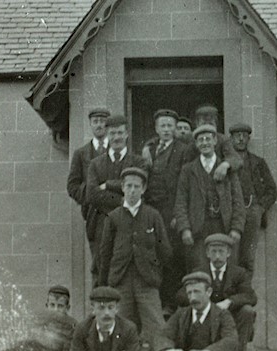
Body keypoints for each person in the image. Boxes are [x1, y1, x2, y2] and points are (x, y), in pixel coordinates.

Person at [98, 167, 172, 345]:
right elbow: (105, 254)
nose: (132, 191)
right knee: (119, 328)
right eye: (129, 186)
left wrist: (154, 272)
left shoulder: (152, 215)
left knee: (157, 328)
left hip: (147, 281)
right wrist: (105, 284)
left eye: (136, 186)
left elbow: (165, 251)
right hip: (120, 281)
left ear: (143, 189)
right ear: (122, 187)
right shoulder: (113, 217)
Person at [139, 109, 194, 315]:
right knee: (154, 255)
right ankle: (157, 303)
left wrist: (179, 215)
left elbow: (185, 185)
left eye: (170, 126)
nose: (167, 129)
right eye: (163, 126)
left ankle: (171, 304)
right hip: (152, 210)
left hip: (171, 211)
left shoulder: (184, 150)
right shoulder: (150, 149)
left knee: (171, 256)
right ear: (156, 128)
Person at [179, 233, 257, 351]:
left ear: (228, 253)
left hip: (230, 316)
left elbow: (250, 296)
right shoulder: (199, 272)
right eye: (213, 252)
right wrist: (203, 300)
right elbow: (181, 295)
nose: (217, 256)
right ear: (207, 253)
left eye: (221, 252)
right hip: (207, 315)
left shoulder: (239, 272)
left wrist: (229, 301)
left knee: (247, 311)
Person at [154, 272, 238, 351]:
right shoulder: (181, 314)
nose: (192, 298)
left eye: (197, 292)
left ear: (209, 292)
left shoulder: (222, 315)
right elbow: (162, 335)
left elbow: (231, 340)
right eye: (189, 293)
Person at [174, 124, 245, 272]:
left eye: (208, 139)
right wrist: (185, 229)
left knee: (224, 269)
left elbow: (238, 201)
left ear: (215, 141)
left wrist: (236, 228)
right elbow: (180, 202)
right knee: (198, 269)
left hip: (223, 226)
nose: (204, 143)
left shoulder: (228, 169)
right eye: (201, 140)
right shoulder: (188, 170)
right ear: (196, 144)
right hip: (198, 229)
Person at [87, 114, 148, 286]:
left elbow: (140, 191)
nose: (116, 137)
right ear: (107, 135)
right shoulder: (96, 164)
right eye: (112, 133)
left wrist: (108, 185)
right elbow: (92, 194)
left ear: (127, 134)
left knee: (129, 265)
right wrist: (122, 200)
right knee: (101, 266)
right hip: (102, 221)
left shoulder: (138, 162)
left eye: (120, 133)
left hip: (131, 221)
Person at [67, 108, 111, 285]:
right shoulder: (81, 153)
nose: (99, 125)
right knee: (98, 260)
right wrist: (90, 195)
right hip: (93, 214)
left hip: (114, 211)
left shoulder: (117, 151)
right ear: (91, 125)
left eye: (103, 121)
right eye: (95, 121)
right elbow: (72, 186)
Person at [228, 123, 277, 277]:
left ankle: (245, 288)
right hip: (231, 213)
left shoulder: (258, 162)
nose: (241, 139)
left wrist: (260, 208)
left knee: (248, 257)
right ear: (231, 139)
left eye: (244, 136)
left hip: (252, 212)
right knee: (230, 254)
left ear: (248, 139)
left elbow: (272, 190)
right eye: (237, 136)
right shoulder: (225, 162)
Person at [187, 104, 243, 182]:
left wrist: (225, 164)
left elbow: (236, 159)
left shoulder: (223, 139)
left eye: (211, 124)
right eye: (203, 124)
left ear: (216, 125)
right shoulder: (192, 141)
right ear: (197, 125)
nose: (207, 128)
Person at [40, 285, 78, 351]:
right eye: (52, 305)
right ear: (47, 306)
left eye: (60, 306)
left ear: (67, 308)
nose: (55, 310)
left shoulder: (73, 327)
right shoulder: (41, 325)